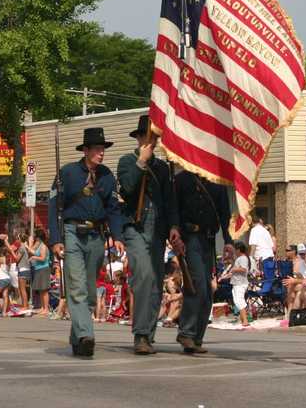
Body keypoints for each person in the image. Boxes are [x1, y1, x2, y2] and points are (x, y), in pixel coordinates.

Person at [48, 127, 123, 358]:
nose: (102, 153)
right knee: (77, 287)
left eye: (103, 149)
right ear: (87, 150)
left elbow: (113, 208)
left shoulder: (108, 176)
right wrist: (56, 239)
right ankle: (86, 336)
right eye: (98, 149)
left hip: (97, 236)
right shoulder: (67, 173)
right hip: (72, 232)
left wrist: (118, 237)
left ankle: (77, 339)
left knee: (90, 293)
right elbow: (54, 207)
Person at [115, 114, 183, 355]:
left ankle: (148, 335)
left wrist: (174, 226)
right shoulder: (126, 162)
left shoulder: (163, 168)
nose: (151, 141)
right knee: (143, 277)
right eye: (147, 136)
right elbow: (129, 188)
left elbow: (170, 201)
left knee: (155, 284)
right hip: (136, 227)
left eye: (154, 137)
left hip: (158, 231)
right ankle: (141, 334)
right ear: (139, 138)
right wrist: (141, 163)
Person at [174, 169, 234, 355]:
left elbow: (225, 214)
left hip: (208, 240)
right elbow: (174, 209)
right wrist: (175, 232)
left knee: (208, 290)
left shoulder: (217, 180)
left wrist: (229, 241)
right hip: (189, 238)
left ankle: (196, 337)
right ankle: (186, 333)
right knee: (197, 283)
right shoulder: (181, 180)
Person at [221, 241, 250, 327]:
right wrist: (225, 276)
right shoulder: (239, 259)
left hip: (240, 283)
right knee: (237, 301)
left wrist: (234, 269)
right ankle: (242, 318)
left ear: (238, 250)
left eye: (235, 250)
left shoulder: (243, 258)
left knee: (240, 300)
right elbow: (233, 273)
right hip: (236, 283)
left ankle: (245, 320)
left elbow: (244, 269)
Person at [27, 229, 51, 316]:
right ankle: (42, 307)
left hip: (43, 269)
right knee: (41, 289)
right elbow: (33, 252)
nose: (35, 238)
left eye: (36, 237)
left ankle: (46, 309)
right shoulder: (40, 245)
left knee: (44, 290)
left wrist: (34, 258)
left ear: (38, 237)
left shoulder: (43, 246)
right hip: (38, 269)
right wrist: (28, 246)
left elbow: (43, 258)